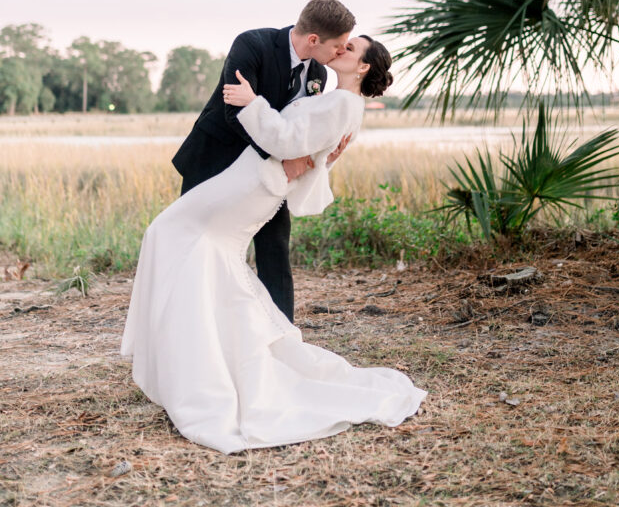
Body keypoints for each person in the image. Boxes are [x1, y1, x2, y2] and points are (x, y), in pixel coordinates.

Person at [121, 34, 427, 454]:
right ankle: (200, 352)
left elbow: (285, 141)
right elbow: (307, 142)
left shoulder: (342, 102)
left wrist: (251, 102)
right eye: (341, 44)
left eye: (350, 49)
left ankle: (205, 362)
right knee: (191, 246)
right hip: (255, 175)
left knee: (182, 238)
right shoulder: (338, 98)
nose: (341, 50)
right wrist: (318, 156)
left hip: (261, 180)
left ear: (363, 69)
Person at [171, 0, 356, 322]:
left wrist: (319, 156)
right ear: (313, 40)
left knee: (274, 245)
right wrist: (280, 158)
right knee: (196, 241)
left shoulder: (318, 74)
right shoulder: (252, 44)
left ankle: (282, 331)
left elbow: (301, 129)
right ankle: (187, 322)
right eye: (338, 46)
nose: (341, 52)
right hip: (216, 160)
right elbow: (235, 112)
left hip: (272, 175)